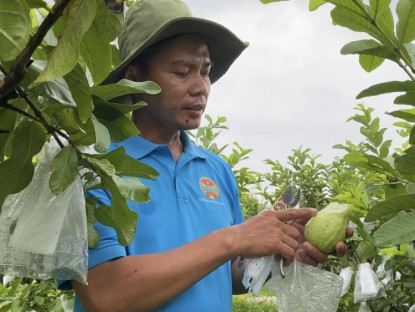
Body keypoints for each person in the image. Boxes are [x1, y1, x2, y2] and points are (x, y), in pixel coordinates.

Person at [64, 0, 352, 311]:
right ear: (134, 77)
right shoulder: (92, 167)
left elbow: (226, 274)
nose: (200, 87)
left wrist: (278, 254)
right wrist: (234, 238)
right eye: (181, 71)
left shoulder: (216, 171)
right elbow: (105, 294)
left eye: (205, 71)